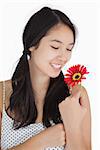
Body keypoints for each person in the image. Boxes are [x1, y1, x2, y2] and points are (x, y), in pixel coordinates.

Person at [0, 6, 91, 150]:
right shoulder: (2, 92)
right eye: (55, 47)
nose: (64, 57)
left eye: (69, 49)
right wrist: (40, 141)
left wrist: (73, 127)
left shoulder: (76, 95)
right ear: (32, 44)